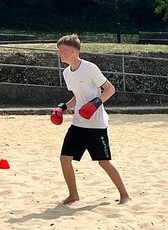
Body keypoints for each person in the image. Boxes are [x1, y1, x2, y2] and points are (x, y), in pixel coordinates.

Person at [54, 34, 130, 204]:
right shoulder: (67, 73)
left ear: (73, 51)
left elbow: (110, 89)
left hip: (96, 125)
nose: (60, 54)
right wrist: (63, 107)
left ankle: (124, 195)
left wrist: (96, 103)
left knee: (104, 162)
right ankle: (73, 194)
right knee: (64, 159)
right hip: (78, 124)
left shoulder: (90, 69)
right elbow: (77, 97)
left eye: (63, 51)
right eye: (59, 51)